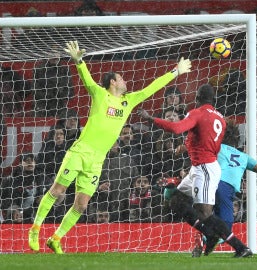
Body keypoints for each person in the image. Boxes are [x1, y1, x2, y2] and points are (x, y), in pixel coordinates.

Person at [28, 40, 191, 254]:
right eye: (121, 78)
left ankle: (56, 238)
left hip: (97, 160)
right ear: (112, 82)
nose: (125, 81)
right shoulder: (99, 94)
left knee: (81, 205)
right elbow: (86, 79)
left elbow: (152, 88)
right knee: (57, 191)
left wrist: (175, 71)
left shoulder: (129, 101)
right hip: (80, 151)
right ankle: (35, 228)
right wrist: (79, 62)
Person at [138, 84, 257, 258]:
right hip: (200, 167)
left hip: (205, 169)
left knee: (206, 213)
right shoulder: (221, 119)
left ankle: (240, 247)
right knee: (176, 200)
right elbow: (209, 144)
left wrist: (151, 119)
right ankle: (209, 234)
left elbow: (176, 128)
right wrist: (188, 147)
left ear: (197, 97)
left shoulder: (197, 113)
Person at [193, 119, 257, 256]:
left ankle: (205, 238)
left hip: (210, 183)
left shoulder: (217, 148)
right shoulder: (244, 157)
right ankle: (208, 239)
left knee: (213, 219)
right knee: (225, 226)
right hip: (224, 187)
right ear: (237, 139)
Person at [0, 153, 45, 224]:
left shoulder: (42, 177)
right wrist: (15, 209)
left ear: (35, 163)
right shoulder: (10, 179)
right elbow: (3, 200)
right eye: (27, 160)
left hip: (35, 207)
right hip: (16, 207)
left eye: (32, 160)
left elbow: (48, 189)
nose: (30, 162)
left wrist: (42, 197)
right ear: (20, 163)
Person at [32, 47, 74, 117]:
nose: (55, 56)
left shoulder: (65, 70)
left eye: (57, 54)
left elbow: (70, 91)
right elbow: (35, 90)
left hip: (60, 107)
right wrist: (51, 94)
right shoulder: (39, 70)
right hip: (42, 107)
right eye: (52, 54)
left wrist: (60, 94)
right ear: (47, 55)